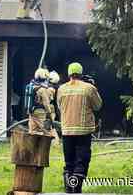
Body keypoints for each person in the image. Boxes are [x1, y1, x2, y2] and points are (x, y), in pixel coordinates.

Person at [57, 63, 102, 193]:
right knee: (81, 161)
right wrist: (94, 87)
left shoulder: (61, 89)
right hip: (84, 131)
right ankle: (76, 189)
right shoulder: (89, 88)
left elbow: (60, 107)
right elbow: (98, 105)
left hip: (67, 130)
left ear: (69, 74)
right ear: (81, 74)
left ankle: (68, 189)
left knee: (69, 162)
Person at [27, 68, 52, 135]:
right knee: (45, 130)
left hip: (31, 111)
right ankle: (51, 143)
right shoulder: (42, 89)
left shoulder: (31, 86)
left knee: (32, 131)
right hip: (40, 111)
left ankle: (33, 144)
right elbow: (46, 103)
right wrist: (49, 112)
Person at [48, 71, 61, 142]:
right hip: (55, 108)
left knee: (50, 125)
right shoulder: (59, 88)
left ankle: (56, 139)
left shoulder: (50, 89)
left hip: (51, 108)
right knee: (51, 124)